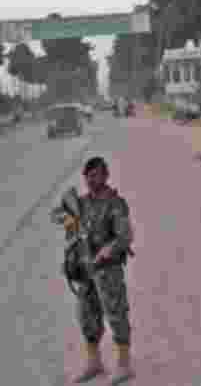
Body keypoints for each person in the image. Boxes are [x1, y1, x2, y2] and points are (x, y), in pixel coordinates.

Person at [53, 156, 135, 383]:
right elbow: (57, 214)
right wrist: (68, 221)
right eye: (88, 176)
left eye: (96, 175)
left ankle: (124, 364)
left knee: (116, 314)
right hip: (85, 270)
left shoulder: (115, 203)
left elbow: (126, 236)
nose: (91, 180)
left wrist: (107, 250)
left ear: (105, 176)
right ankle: (94, 362)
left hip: (108, 270)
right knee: (87, 316)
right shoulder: (80, 203)